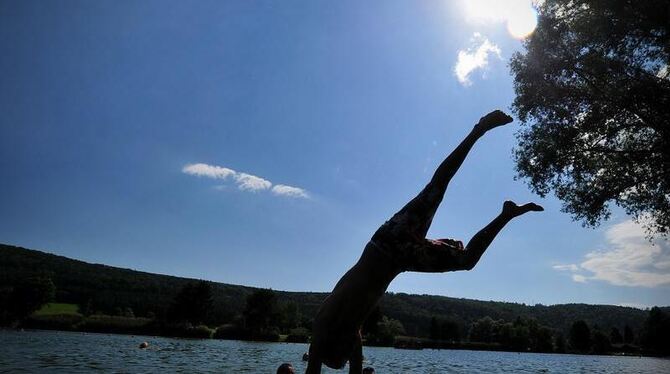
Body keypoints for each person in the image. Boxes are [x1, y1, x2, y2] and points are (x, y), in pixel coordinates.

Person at [306, 110, 544, 374]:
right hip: (403, 256)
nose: (352, 358)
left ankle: (479, 130)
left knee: (437, 188)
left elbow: (314, 370)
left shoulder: (323, 324)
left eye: (345, 357)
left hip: (387, 241)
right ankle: (507, 214)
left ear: (335, 347)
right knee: (467, 261)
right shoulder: (352, 335)